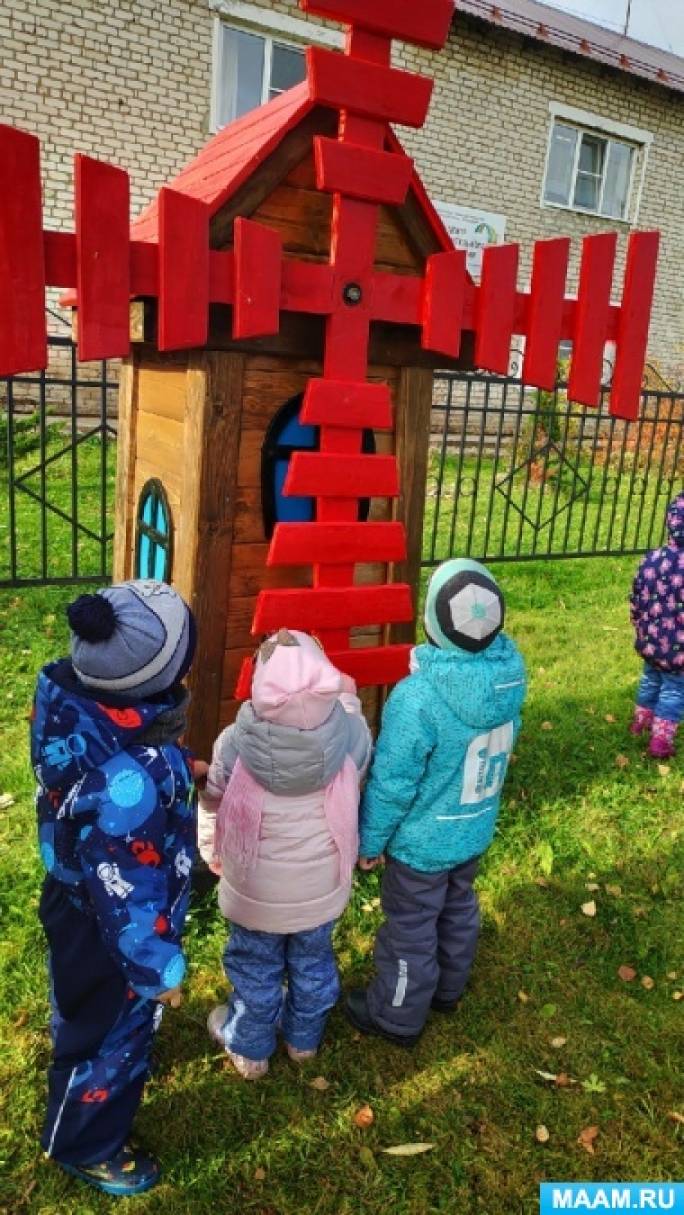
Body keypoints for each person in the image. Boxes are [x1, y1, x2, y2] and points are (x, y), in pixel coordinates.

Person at [32, 579, 197, 1196]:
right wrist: (159, 970)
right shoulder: (131, 784)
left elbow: (110, 788)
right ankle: (86, 1142)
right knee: (111, 1040)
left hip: (73, 898)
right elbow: (127, 894)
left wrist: (179, 772)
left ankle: (72, 1034)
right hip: (117, 933)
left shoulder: (81, 714)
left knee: (80, 1009)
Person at [345, 558, 526, 1047]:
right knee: (458, 907)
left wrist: (370, 839)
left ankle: (397, 1013)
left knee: (410, 927)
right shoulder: (508, 681)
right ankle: (448, 988)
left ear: (430, 623)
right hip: (472, 830)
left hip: (422, 844)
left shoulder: (418, 697)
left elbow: (393, 781)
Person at [198, 628, 371, 1079]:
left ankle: (251, 1048)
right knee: (314, 962)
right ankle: (302, 1040)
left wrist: (208, 848)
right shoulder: (350, 736)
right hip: (320, 892)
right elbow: (363, 745)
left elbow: (213, 799)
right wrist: (349, 702)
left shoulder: (234, 742)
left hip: (255, 891)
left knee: (255, 967)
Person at [629, 491, 684, 758]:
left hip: (650, 639)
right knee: (674, 690)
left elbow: (637, 594)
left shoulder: (653, 558)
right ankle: (661, 740)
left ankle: (640, 722)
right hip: (679, 649)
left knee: (650, 679)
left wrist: (638, 624)